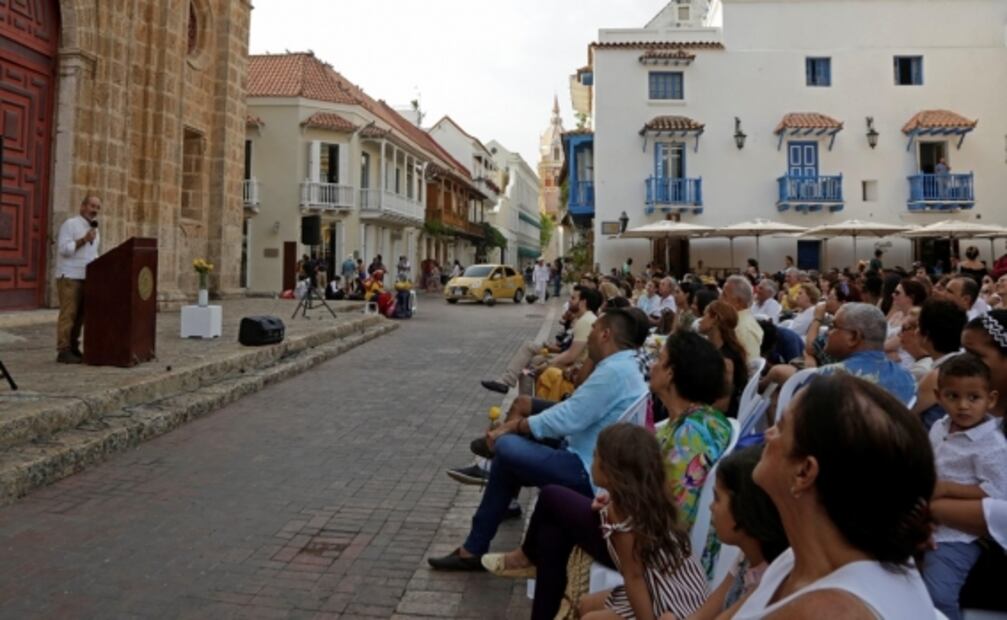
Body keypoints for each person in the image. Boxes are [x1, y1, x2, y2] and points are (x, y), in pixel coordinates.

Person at [479, 331, 730, 618]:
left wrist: (615, 509)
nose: (652, 365)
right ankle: (534, 577)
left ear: (672, 374)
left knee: (551, 500)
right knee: (554, 525)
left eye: (660, 359)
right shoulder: (700, 421)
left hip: (652, 552)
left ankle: (529, 562)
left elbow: (668, 518)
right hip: (649, 536)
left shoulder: (689, 436)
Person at [427, 308, 649, 571]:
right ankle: (473, 547)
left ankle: (480, 544)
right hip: (581, 449)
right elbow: (576, 408)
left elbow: (570, 417)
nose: (588, 335)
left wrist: (514, 427)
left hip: (586, 471)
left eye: (593, 330)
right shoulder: (620, 365)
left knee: (507, 447)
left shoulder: (615, 372)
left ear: (605, 334)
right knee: (507, 460)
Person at [733, 374, 936, 619]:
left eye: (782, 426)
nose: (768, 434)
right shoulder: (808, 556)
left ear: (804, 472)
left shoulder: (826, 611)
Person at [570, 424, 707, 620]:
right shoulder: (648, 499)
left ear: (610, 474)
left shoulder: (620, 518)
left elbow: (634, 578)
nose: (592, 463)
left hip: (667, 599)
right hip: (683, 586)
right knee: (586, 604)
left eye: (595, 456)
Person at [922, 354, 1007, 619]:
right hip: (926, 522)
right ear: (938, 395)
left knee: (937, 595)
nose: (963, 406)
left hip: (958, 536)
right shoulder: (938, 427)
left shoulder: (992, 444)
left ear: (990, 399)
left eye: (973, 398)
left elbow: (998, 491)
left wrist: (947, 489)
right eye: (953, 396)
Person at [687, 445, 788, 619]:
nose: (711, 507)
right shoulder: (747, 556)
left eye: (717, 498)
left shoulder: (773, 581)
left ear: (744, 510)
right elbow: (709, 609)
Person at [480, 286, 601, 394]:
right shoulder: (584, 319)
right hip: (572, 363)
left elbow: (571, 356)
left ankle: (522, 401)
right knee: (529, 361)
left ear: (583, 302)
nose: (569, 301)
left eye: (573, 298)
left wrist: (548, 363)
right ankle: (519, 397)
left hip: (574, 368)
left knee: (529, 366)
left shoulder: (585, 321)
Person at [817, 303, 917, 406]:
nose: (828, 332)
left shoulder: (822, 377)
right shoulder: (909, 380)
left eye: (833, 326)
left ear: (853, 337)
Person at [55, 195, 102, 364]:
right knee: (69, 314)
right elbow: (64, 250)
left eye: (97, 207)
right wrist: (83, 240)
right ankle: (63, 350)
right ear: (82, 206)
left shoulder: (95, 229)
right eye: (92, 205)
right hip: (69, 276)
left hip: (86, 277)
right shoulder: (71, 224)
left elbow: (93, 254)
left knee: (80, 315)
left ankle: (74, 347)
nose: (94, 210)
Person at [912, 298, 969, 427]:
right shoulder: (964, 362)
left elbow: (905, 411)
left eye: (918, 326)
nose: (915, 332)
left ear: (926, 335)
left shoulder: (939, 374)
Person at [698, 301, 748, 418]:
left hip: (714, 419)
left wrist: (690, 415)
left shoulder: (726, 361)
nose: (700, 320)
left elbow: (722, 405)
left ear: (714, 319)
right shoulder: (713, 349)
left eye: (705, 315)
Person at [721, 275, 763, 363]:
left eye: (724, 295)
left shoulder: (743, 329)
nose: (719, 298)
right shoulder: (733, 321)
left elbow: (747, 367)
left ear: (738, 302)